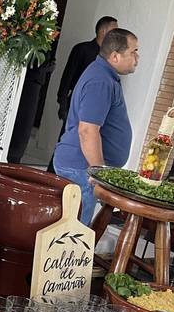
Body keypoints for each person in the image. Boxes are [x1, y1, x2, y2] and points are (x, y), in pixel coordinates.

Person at [53, 29, 139, 224]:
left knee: (71, 234)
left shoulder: (104, 75)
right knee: (72, 237)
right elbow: (87, 130)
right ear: (115, 56)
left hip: (82, 168)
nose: (137, 57)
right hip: (80, 169)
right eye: (133, 51)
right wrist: (99, 174)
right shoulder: (100, 81)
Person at [47, 16, 117, 171]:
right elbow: (67, 77)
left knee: (86, 144)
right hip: (75, 104)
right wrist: (62, 103)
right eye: (114, 30)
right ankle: (53, 175)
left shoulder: (108, 58)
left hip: (94, 110)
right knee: (67, 142)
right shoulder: (82, 49)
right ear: (103, 31)